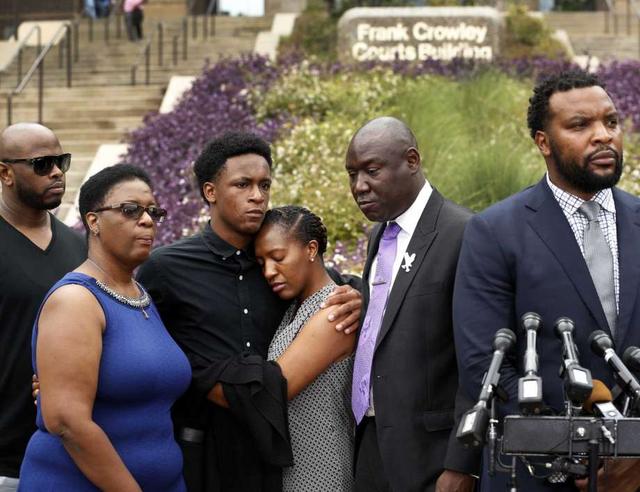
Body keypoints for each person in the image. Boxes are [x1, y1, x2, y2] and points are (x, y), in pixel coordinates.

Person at [136, 131, 361, 492]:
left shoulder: (280, 263)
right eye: (243, 184)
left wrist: (361, 297)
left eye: (264, 185)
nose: (257, 196)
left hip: (281, 455)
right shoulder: (166, 268)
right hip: (205, 453)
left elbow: (327, 282)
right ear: (211, 192)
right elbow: (140, 344)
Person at [453, 70, 640, 491]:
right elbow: (483, 366)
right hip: (536, 471)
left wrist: (632, 456)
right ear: (543, 142)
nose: (603, 136)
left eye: (611, 122)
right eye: (580, 125)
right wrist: (577, 447)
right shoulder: (494, 232)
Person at [19, 164, 191, 491]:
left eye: (153, 211)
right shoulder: (75, 300)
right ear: (93, 221)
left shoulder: (139, 295)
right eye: (130, 210)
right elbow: (67, 422)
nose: (147, 220)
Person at [345, 116, 480, 492]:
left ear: (412, 160)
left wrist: (463, 463)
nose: (359, 186)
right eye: (352, 174)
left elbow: (479, 360)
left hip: (433, 459)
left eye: (372, 171)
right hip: (372, 446)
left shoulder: (464, 232)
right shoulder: (379, 234)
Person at [0, 123, 86, 492]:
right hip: (6, 463)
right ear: (5, 173)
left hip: (70, 455)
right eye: (41, 164)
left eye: (61, 162)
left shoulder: (80, 247)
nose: (56, 173)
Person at [255, 205, 355, 492]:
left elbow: (275, 389)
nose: (268, 272)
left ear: (311, 249)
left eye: (278, 258)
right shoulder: (294, 309)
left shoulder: (334, 312)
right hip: (295, 465)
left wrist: (206, 378)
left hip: (322, 467)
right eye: (261, 262)